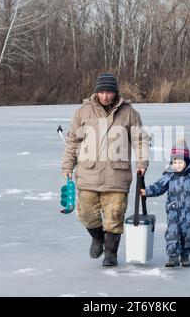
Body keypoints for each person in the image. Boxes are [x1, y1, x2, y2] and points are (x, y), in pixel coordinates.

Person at [61, 73, 150, 267]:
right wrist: (67, 165)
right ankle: (98, 238)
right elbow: (72, 141)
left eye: (108, 92)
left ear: (115, 92)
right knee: (85, 213)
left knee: (115, 215)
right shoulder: (83, 112)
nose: (104, 96)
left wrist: (142, 163)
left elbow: (140, 140)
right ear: (96, 92)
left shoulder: (129, 113)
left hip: (117, 175)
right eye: (101, 92)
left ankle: (111, 254)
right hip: (88, 173)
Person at [140, 139, 190, 267]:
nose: (177, 165)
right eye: (175, 162)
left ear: (187, 161)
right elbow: (159, 186)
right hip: (173, 211)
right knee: (172, 232)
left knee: (188, 234)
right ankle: (173, 256)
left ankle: (185, 255)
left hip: (189, 212)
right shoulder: (169, 175)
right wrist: (147, 191)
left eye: (180, 162)